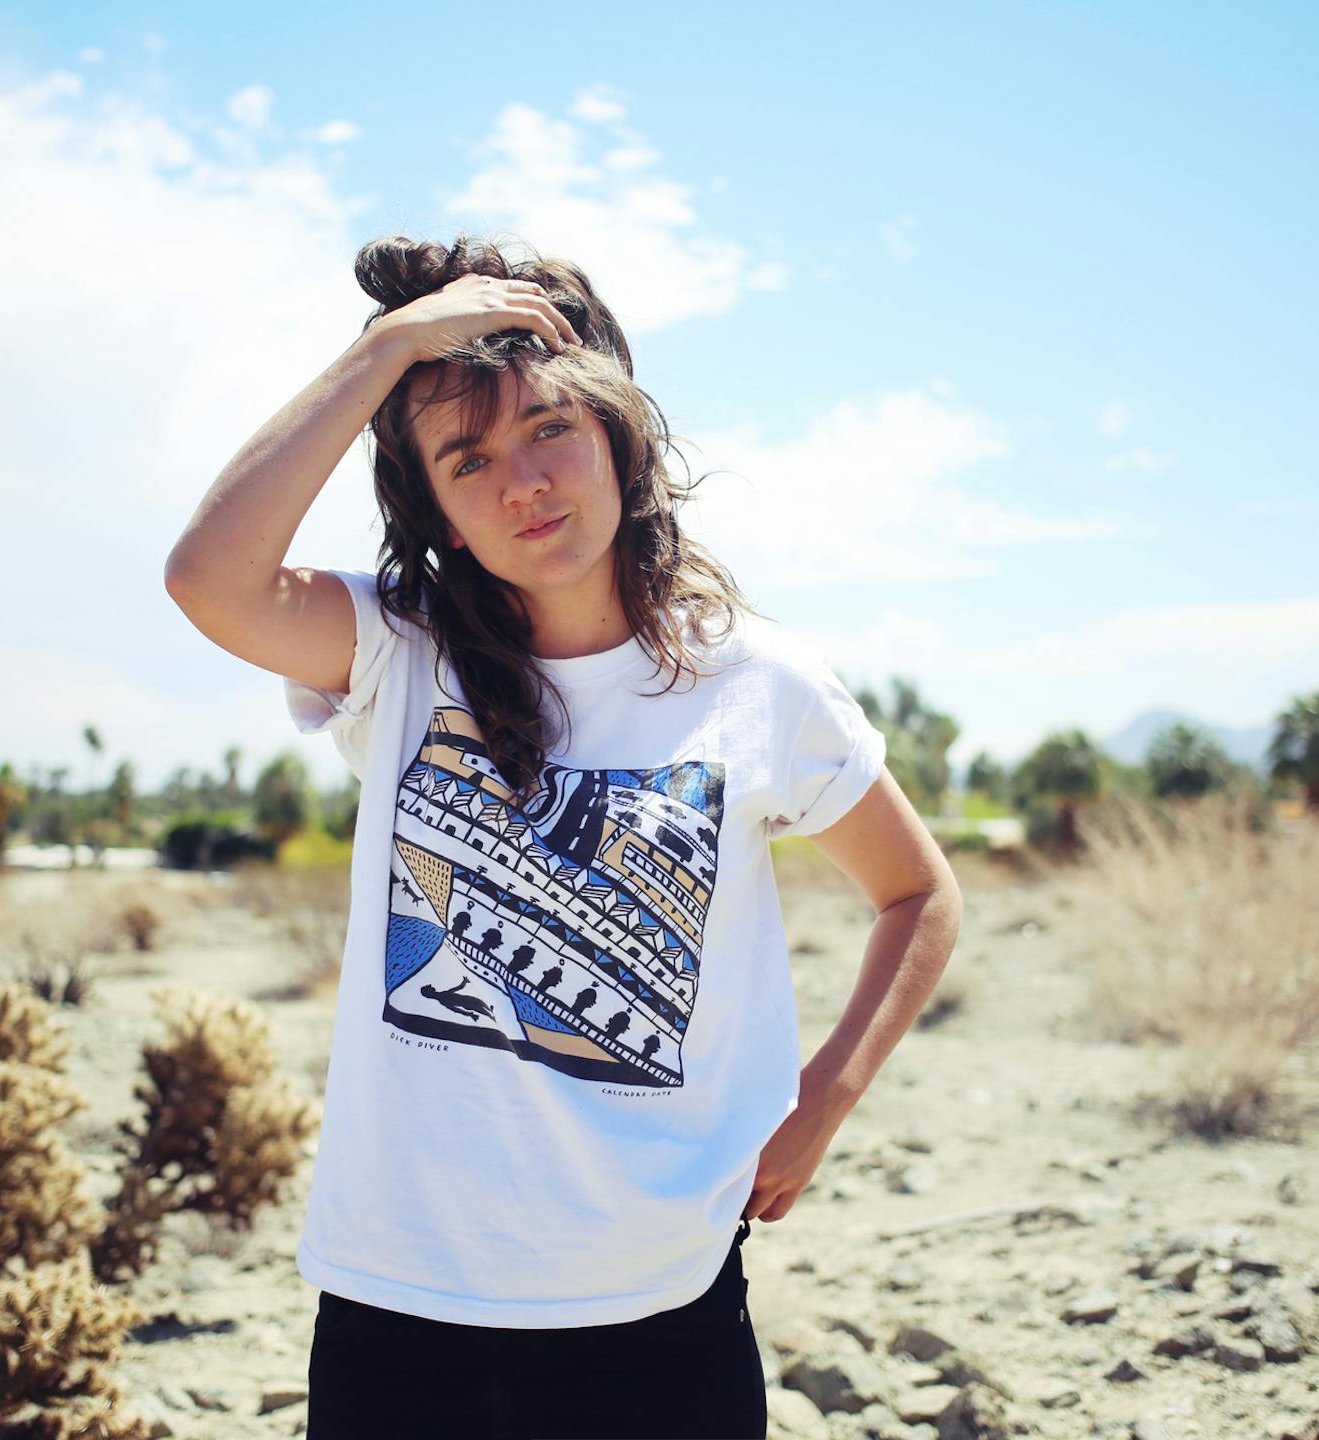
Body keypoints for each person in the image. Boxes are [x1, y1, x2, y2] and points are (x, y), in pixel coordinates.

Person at [163, 233, 964, 1439]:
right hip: (399, 1299)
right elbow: (208, 579)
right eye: (465, 458)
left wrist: (824, 1101)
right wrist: (385, 350)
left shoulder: (759, 686)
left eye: (548, 427)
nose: (522, 483)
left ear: (618, 433)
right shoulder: (398, 653)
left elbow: (919, 896)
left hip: (657, 1306)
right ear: (433, 505)